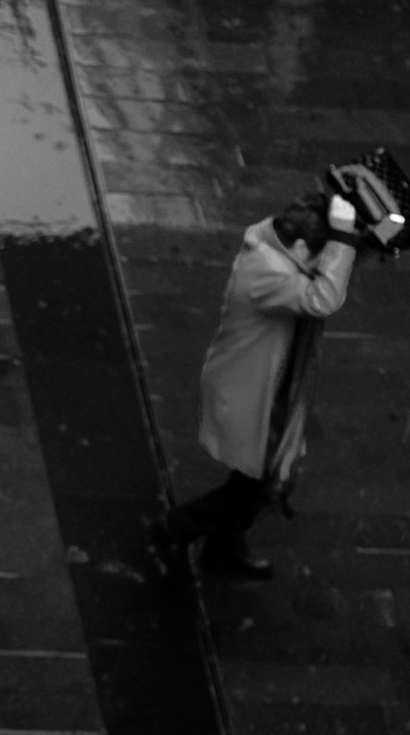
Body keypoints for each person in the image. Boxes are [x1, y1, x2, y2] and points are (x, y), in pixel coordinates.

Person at [151, 188, 373, 579]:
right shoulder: (268, 273)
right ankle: (176, 528)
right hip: (251, 394)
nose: (300, 208)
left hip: (257, 385)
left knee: (255, 472)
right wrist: (342, 238)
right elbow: (322, 296)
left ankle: (225, 544)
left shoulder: (273, 243)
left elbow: (324, 267)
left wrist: (350, 241)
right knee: (256, 483)